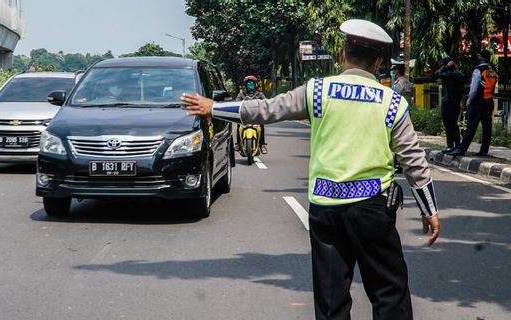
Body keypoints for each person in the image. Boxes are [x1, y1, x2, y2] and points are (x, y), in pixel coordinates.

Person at [182, 19, 440, 320]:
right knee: (389, 293)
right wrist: (429, 209)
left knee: (331, 300)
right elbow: (413, 160)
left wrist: (213, 107)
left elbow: (267, 109)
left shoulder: (318, 91)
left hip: (326, 209)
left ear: (342, 55)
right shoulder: (391, 102)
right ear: (379, 62)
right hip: (372, 209)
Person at [447, 49, 498, 157]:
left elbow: (474, 89)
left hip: (478, 102)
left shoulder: (478, 70)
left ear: (481, 58)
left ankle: (462, 149)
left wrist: (469, 101)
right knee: (487, 127)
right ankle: (484, 150)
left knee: (471, 126)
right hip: (489, 101)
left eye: (479, 56)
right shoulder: (492, 71)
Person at [434, 57, 466, 153]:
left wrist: (446, 66)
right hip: (456, 102)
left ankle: (451, 146)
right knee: (453, 124)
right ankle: (456, 145)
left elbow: (437, 74)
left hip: (448, 102)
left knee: (448, 124)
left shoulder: (450, 74)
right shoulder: (459, 73)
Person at [235, 75, 268, 154]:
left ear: (255, 84)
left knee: (261, 125)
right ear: (245, 85)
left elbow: (266, 102)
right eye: (248, 83)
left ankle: (262, 144)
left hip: (256, 116)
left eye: (252, 83)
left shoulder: (260, 94)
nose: (250, 85)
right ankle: (238, 144)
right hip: (245, 116)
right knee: (239, 125)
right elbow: (236, 102)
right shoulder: (241, 94)